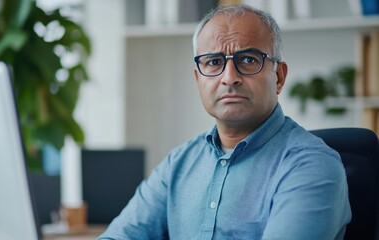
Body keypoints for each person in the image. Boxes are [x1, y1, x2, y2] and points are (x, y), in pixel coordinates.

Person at [99, 3, 351, 240]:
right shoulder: (179, 163)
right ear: (198, 80)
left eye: (249, 60)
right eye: (213, 62)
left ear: (279, 77)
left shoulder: (312, 165)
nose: (229, 78)